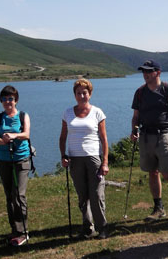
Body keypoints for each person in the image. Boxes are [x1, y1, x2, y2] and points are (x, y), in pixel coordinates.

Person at [130, 60, 168, 222]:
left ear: (157, 72)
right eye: (143, 71)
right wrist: (134, 130)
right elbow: (136, 117)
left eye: (148, 71)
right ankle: (158, 208)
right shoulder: (140, 93)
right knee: (152, 172)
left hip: (165, 135)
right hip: (145, 136)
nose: (145, 74)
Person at [59, 79, 110, 239]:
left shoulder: (97, 112)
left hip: (93, 158)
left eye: (84, 92)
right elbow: (62, 137)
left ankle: (102, 228)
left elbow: (104, 139)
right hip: (75, 159)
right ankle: (88, 228)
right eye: (78, 93)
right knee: (82, 196)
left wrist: (105, 162)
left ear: (90, 94)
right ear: (74, 95)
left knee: (96, 195)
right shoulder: (67, 113)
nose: (81, 96)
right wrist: (63, 156)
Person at [0, 85, 32, 246]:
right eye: (5, 99)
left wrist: (13, 135)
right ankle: (15, 230)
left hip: (21, 159)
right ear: (1, 101)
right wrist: (3, 141)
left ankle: (23, 231)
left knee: (19, 195)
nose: (8, 102)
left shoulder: (23, 116)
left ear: (16, 100)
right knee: (9, 196)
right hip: (3, 160)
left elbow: (26, 134)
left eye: (11, 99)